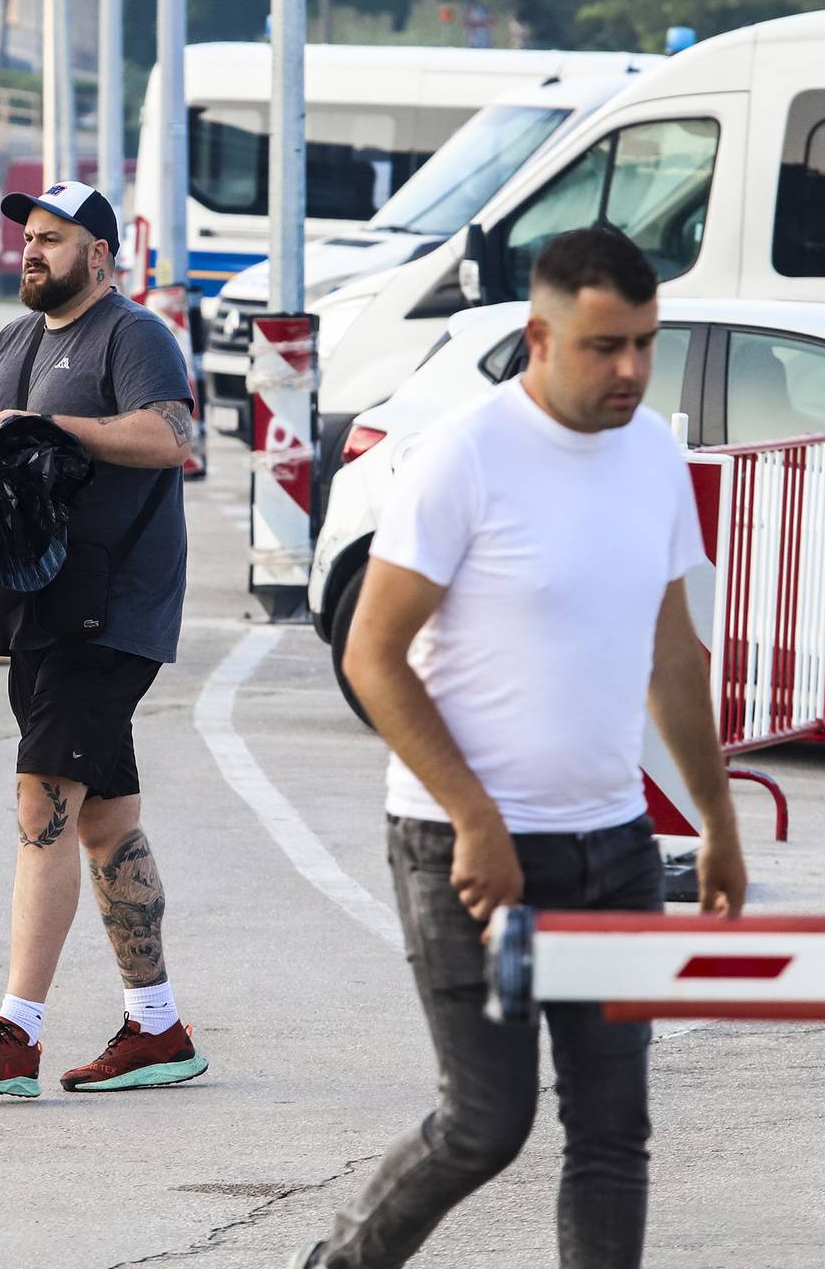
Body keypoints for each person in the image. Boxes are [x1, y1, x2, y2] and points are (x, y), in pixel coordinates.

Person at [290, 227, 749, 1269]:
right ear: (541, 335)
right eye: (605, 346)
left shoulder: (655, 456)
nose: (632, 369)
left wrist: (717, 823)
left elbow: (674, 658)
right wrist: (476, 816)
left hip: (614, 850)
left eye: (645, 342)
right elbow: (373, 655)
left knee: (612, 1130)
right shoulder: (467, 455)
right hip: (465, 854)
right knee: (485, 1122)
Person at [0, 181, 204, 1099]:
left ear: (100, 251)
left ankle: (17, 1036)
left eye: (52, 238)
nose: (33, 252)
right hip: (41, 611)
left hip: (110, 609)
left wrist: (56, 427)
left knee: (41, 805)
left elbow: (172, 436)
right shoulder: (13, 342)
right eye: (28, 238)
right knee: (103, 821)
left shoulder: (131, 335)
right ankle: (158, 1029)